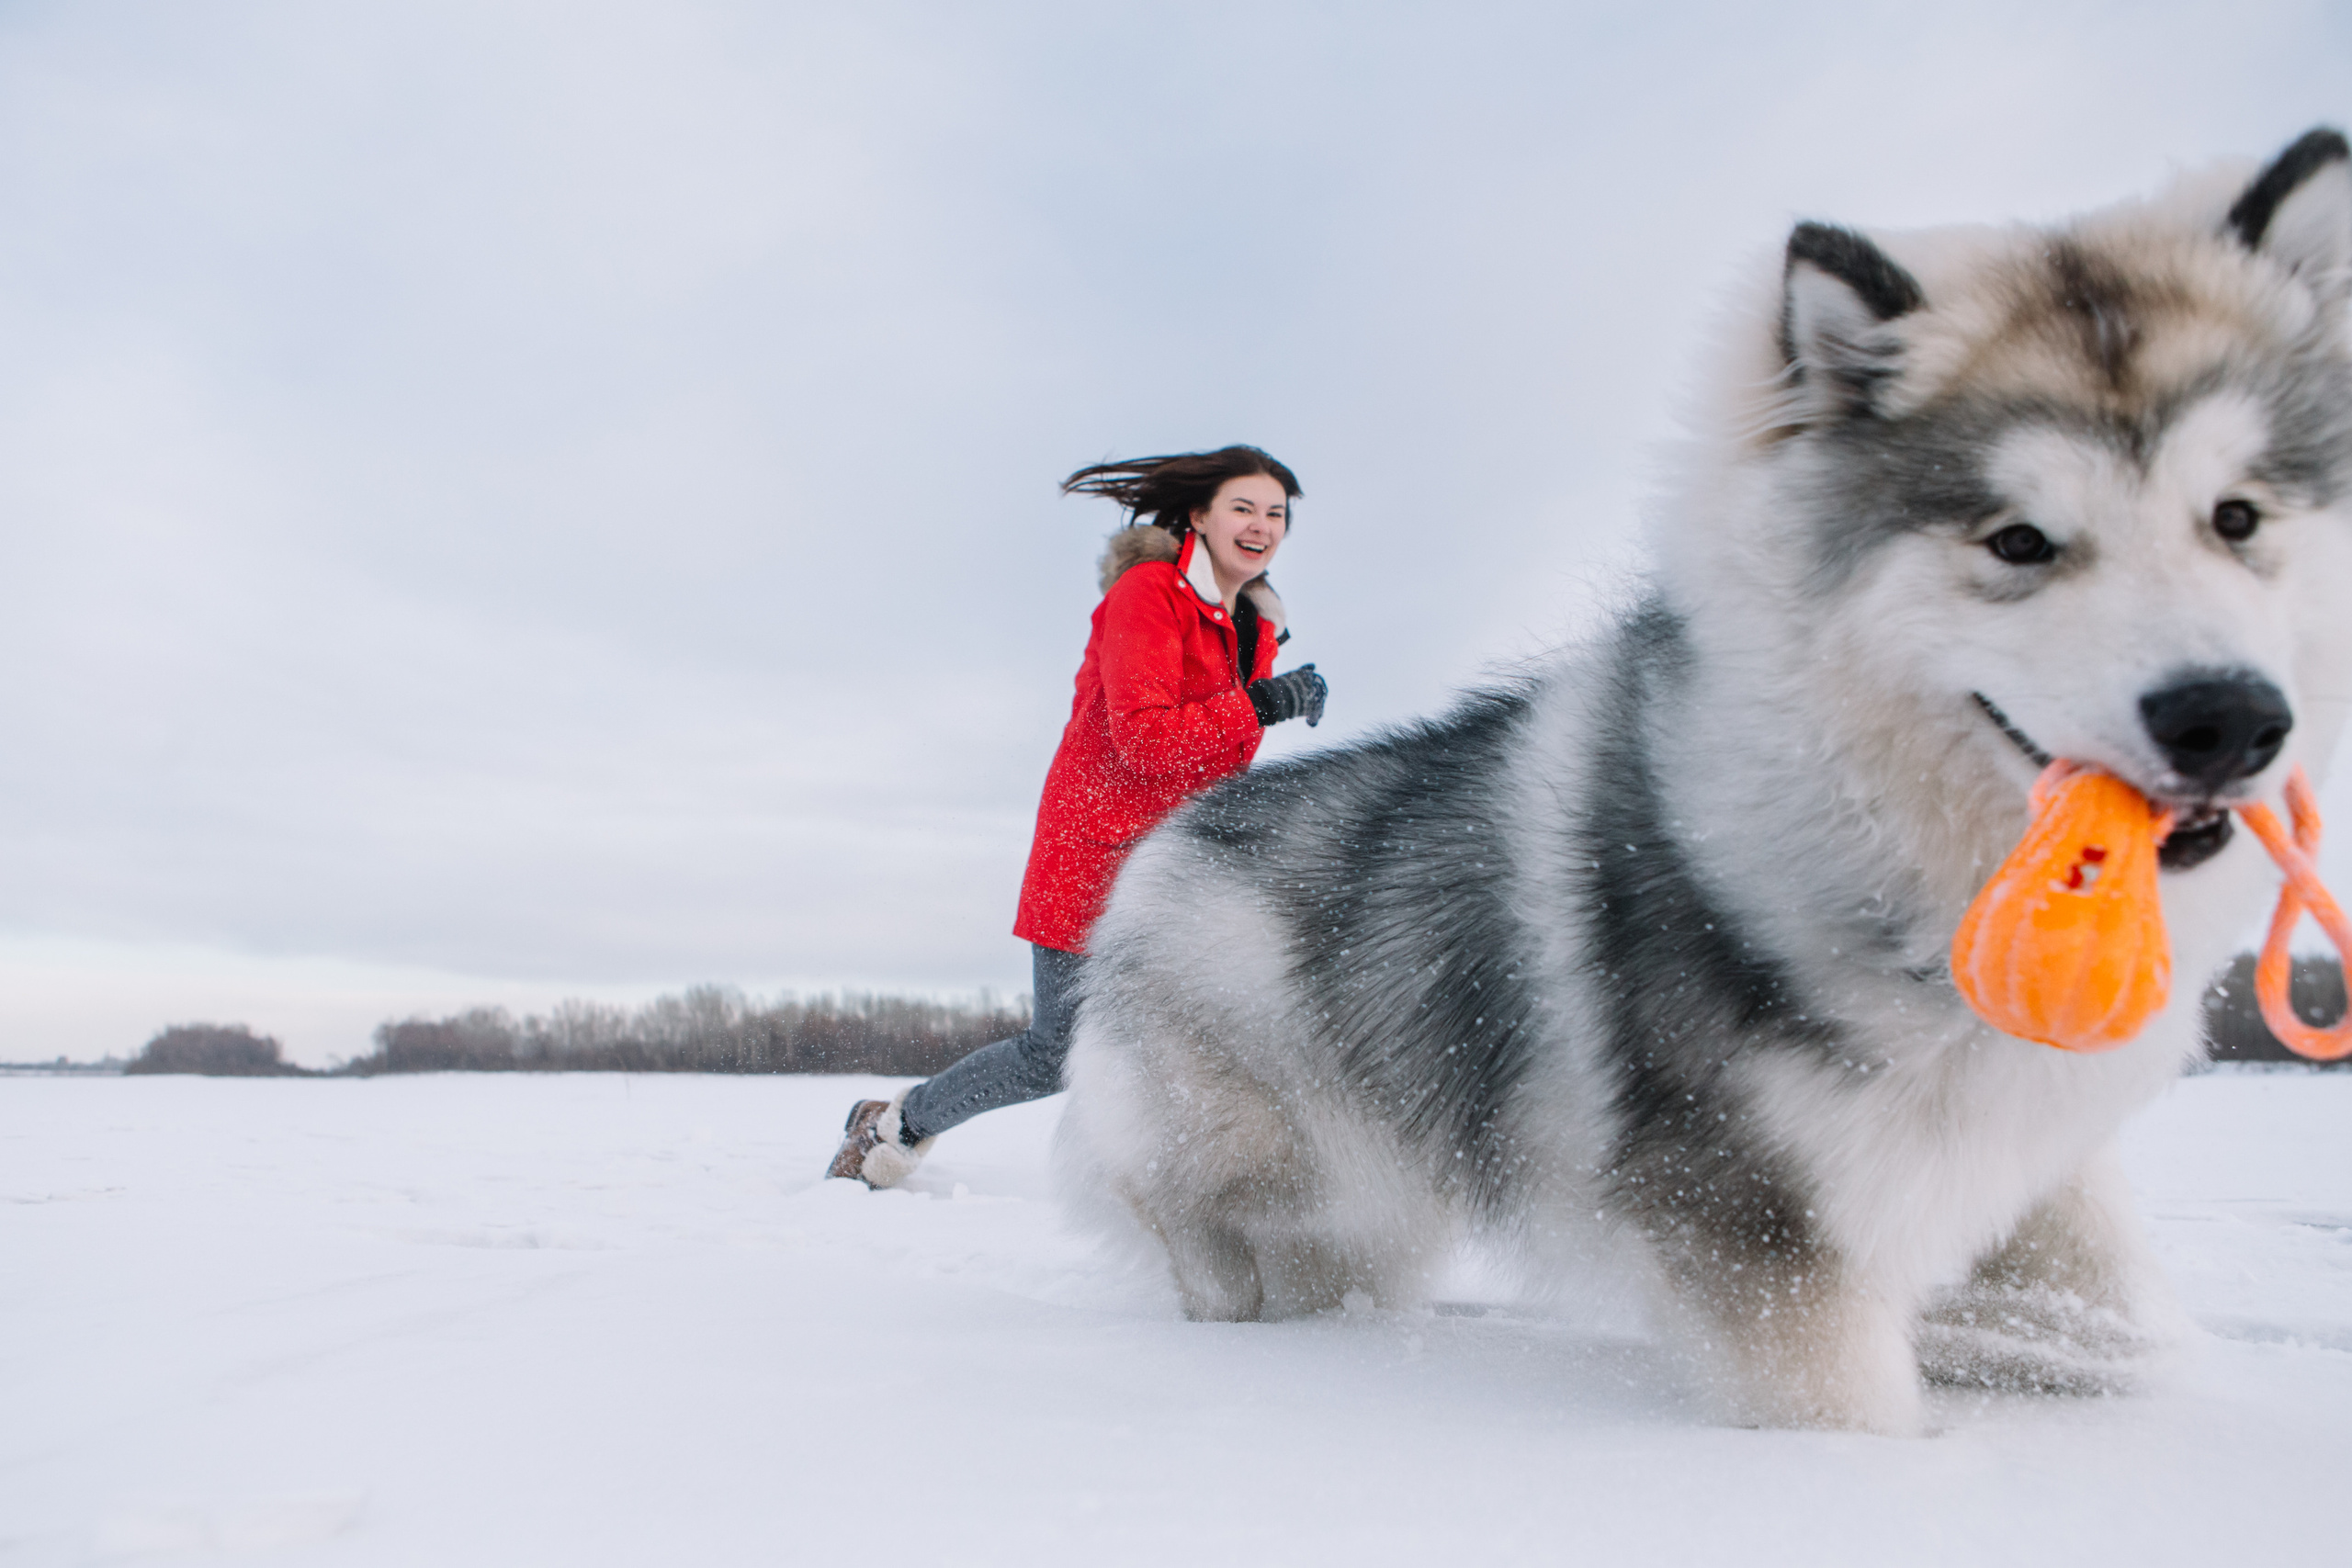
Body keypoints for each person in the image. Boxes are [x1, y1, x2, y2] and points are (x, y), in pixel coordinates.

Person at [826, 446, 1328, 1186]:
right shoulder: (1149, 593)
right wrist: (1260, 705)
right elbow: (1146, 739)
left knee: (1206, 1029)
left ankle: (1195, 1191)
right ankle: (892, 1124)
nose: (1261, 526)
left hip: (1172, 869)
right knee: (1057, 1051)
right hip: (1092, 848)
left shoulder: (1250, 627)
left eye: (1275, 514)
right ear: (1199, 515)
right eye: (1243, 508)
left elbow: (1215, 763)